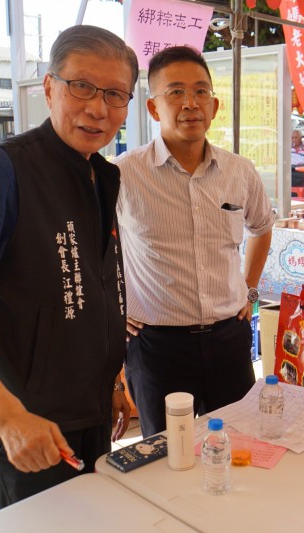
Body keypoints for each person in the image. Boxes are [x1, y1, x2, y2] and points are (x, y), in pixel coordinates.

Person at [0, 25, 137, 509]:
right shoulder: (0, 170)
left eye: (114, 94)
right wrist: (6, 417)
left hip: (92, 410)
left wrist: (113, 381)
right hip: (29, 422)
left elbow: (92, 289)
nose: (97, 108)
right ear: (48, 87)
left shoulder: (101, 174)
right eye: (81, 86)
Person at [115, 46, 275, 438]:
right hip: (157, 346)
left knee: (238, 443)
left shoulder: (239, 171)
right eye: (176, 92)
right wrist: (114, 309)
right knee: (166, 455)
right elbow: (95, 245)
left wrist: (250, 291)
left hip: (229, 338)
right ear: (154, 108)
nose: (191, 104)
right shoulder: (123, 173)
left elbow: (262, 227)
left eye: (201, 92)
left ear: (215, 105)